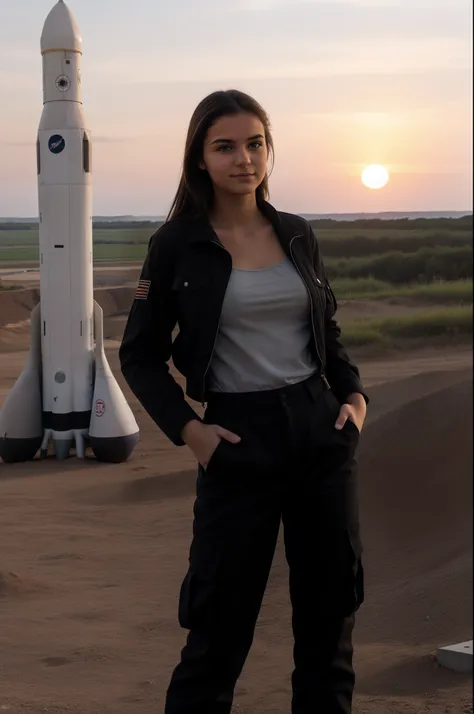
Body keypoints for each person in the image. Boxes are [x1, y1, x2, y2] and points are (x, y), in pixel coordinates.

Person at [119, 88, 368, 714]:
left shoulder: (297, 235)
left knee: (329, 624)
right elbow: (139, 354)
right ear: (200, 158)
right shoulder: (176, 245)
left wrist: (355, 397)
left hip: (319, 433)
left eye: (254, 144)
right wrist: (189, 431)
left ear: (269, 151)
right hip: (236, 439)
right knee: (218, 631)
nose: (243, 159)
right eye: (225, 146)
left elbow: (324, 331)